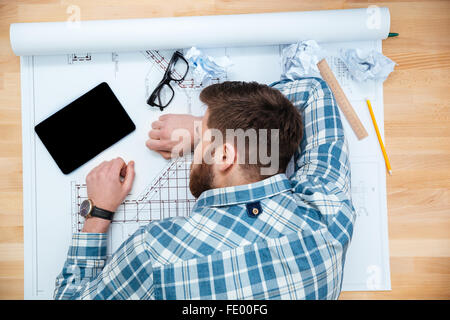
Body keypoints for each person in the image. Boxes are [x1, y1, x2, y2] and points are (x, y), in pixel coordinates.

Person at [54, 77, 355, 300]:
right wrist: (218, 127)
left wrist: (97, 213)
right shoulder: (327, 217)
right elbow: (313, 92)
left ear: (224, 157)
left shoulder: (155, 254)